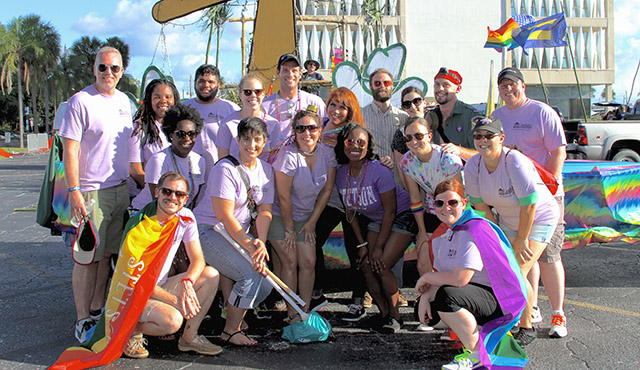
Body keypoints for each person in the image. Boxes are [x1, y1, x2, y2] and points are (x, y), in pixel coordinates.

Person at [59, 46, 133, 343]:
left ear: (121, 72)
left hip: (120, 189)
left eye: (114, 68)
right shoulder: (80, 102)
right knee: (86, 258)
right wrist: (75, 190)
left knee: (108, 255)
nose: (108, 74)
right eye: (103, 67)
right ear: (94, 68)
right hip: (91, 191)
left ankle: (97, 308)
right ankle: (81, 319)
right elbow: (70, 149)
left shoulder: (125, 101)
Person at [464, 115, 559, 346]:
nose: (483, 140)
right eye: (478, 136)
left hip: (539, 219)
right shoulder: (473, 166)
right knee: (502, 269)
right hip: (507, 220)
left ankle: (527, 326)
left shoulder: (514, 161)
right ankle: (511, 318)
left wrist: (522, 239)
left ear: (502, 138)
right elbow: (482, 208)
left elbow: (530, 205)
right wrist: (496, 240)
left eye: (489, 136)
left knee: (517, 271)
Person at [415, 178, 528, 370]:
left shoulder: (473, 229)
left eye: (453, 202)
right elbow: (445, 275)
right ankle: (474, 333)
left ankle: (475, 354)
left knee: (447, 298)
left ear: (464, 203)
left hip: (500, 300)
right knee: (431, 307)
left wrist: (425, 278)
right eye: (440, 203)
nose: (446, 208)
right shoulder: (446, 233)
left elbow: (460, 279)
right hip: (477, 295)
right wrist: (426, 296)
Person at [491, 66, 569, 339]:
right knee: (524, 254)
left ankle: (558, 313)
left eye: (513, 84)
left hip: (546, 197)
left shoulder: (541, 112)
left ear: (523, 85)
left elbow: (558, 151)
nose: (508, 89)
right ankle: (531, 306)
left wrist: (550, 184)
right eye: (503, 86)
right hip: (514, 200)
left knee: (549, 257)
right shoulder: (496, 117)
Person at [123, 172, 222, 358]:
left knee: (211, 275)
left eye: (179, 194)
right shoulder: (141, 224)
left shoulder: (185, 217)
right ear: (157, 193)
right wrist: (178, 302)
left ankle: (189, 338)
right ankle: (130, 330)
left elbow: (198, 259)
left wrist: (187, 282)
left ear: (186, 199)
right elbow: (138, 281)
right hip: (133, 294)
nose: (172, 197)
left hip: (158, 286)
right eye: (167, 191)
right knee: (173, 320)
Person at [195, 117, 274, 346]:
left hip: (237, 233)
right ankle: (230, 330)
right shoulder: (225, 168)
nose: (252, 145)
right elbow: (224, 215)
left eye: (257, 139)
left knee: (266, 282)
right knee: (248, 274)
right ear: (238, 141)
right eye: (246, 139)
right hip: (209, 230)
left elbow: (265, 210)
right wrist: (249, 246)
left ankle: (235, 314)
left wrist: (260, 242)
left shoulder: (265, 169)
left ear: (264, 141)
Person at [334, 123, 416, 333]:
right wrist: (362, 245)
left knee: (381, 264)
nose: (355, 146)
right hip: (376, 221)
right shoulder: (341, 173)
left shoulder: (379, 171)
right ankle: (384, 314)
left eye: (361, 142)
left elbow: (390, 211)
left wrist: (378, 247)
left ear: (368, 146)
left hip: (401, 215)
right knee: (366, 265)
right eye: (350, 141)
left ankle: (396, 317)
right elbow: (350, 213)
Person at [268, 109, 337, 321]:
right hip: (280, 216)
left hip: (307, 217)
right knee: (290, 260)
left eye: (312, 128)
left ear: (320, 130)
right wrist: (289, 229)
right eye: (301, 128)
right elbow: (283, 196)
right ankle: (291, 313)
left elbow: (327, 190)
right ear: (294, 131)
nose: (307, 133)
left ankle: (303, 311)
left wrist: (312, 222)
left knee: (308, 262)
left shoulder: (327, 153)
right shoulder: (287, 157)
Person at [311, 87, 368, 320]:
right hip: (330, 199)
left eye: (342, 107)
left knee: (356, 248)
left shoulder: (350, 132)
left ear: (350, 111)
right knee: (312, 239)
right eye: (333, 104)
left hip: (352, 200)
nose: (336, 110)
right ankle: (317, 291)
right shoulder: (320, 125)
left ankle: (358, 299)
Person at [361, 68, 409, 304]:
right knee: (373, 236)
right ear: (370, 86)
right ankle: (372, 289)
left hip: (397, 186)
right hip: (370, 187)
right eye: (377, 82)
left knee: (395, 240)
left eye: (386, 82)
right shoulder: (359, 116)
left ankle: (395, 290)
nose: (382, 85)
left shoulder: (403, 117)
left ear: (393, 85)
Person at [399, 117, 463, 276]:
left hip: (457, 212)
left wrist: (452, 228)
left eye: (419, 136)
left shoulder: (448, 160)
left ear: (429, 136)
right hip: (433, 210)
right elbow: (415, 199)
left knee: (453, 263)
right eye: (408, 137)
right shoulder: (406, 161)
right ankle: (427, 298)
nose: (414, 141)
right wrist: (421, 231)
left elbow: (459, 198)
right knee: (423, 264)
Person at [130, 103, 205, 211]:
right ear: (171, 135)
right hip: (147, 215)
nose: (187, 138)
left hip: (176, 215)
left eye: (192, 134)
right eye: (181, 134)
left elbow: (193, 199)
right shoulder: (159, 160)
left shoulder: (199, 161)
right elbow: (157, 201)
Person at [128, 79, 178, 198]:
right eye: (157, 97)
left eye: (168, 97)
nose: (163, 101)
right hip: (147, 196)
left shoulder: (180, 127)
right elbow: (135, 170)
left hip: (174, 197)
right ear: (149, 100)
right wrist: (159, 194)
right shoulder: (139, 127)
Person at [216, 73, 282, 160]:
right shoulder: (227, 124)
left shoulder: (273, 124)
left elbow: (275, 159)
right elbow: (222, 160)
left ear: (263, 94)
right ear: (240, 94)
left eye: (257, 92)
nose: (253, 95)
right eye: (247, 92)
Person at [183, 64, 240, 164]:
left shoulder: (231, 108)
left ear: (218, 85)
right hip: (189, 171)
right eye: (201, 81)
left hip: (221, 170)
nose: (206, 85)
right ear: (194, 83)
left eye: (211, 82)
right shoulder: (183, 108)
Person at [262, 53, 326, 137]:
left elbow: (327, 129)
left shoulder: (314, 101)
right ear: (278, 73)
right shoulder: (265, 106)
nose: (290, 74)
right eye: (285, 70)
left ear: (300, 74)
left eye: (294, 70)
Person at [431, 67, 479, 161]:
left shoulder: (471, 116)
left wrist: (460, 151)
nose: (440, 89)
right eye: (437, 84)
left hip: (466, 174)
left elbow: (485, 155)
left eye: (446, 85)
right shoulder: (430, 116)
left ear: (458, 89)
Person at [391, 86, 429, 189]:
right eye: (407, 104)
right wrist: (412, 195)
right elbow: (401, 169)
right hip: (417, 188)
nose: (412, 106)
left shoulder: (436, 125)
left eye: (416, 101)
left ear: (424, 102)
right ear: (404, 108)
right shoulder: (401, 133)